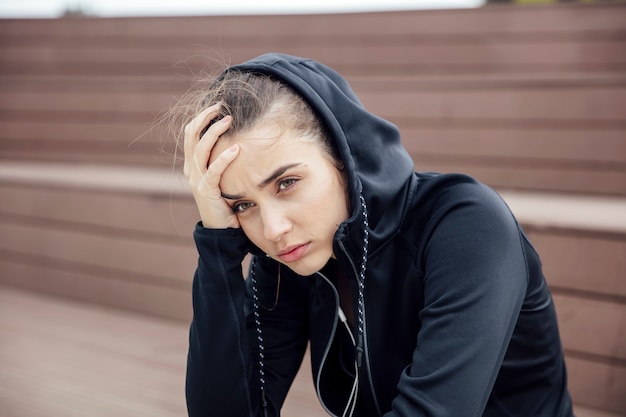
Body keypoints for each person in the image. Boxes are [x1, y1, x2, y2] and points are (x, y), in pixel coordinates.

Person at [177, 53, 574, 417]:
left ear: (342, 158)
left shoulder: (465, 225)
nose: (273, 229)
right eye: (243, 204)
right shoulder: (289, 260)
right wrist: (217, 247)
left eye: (287, 183)